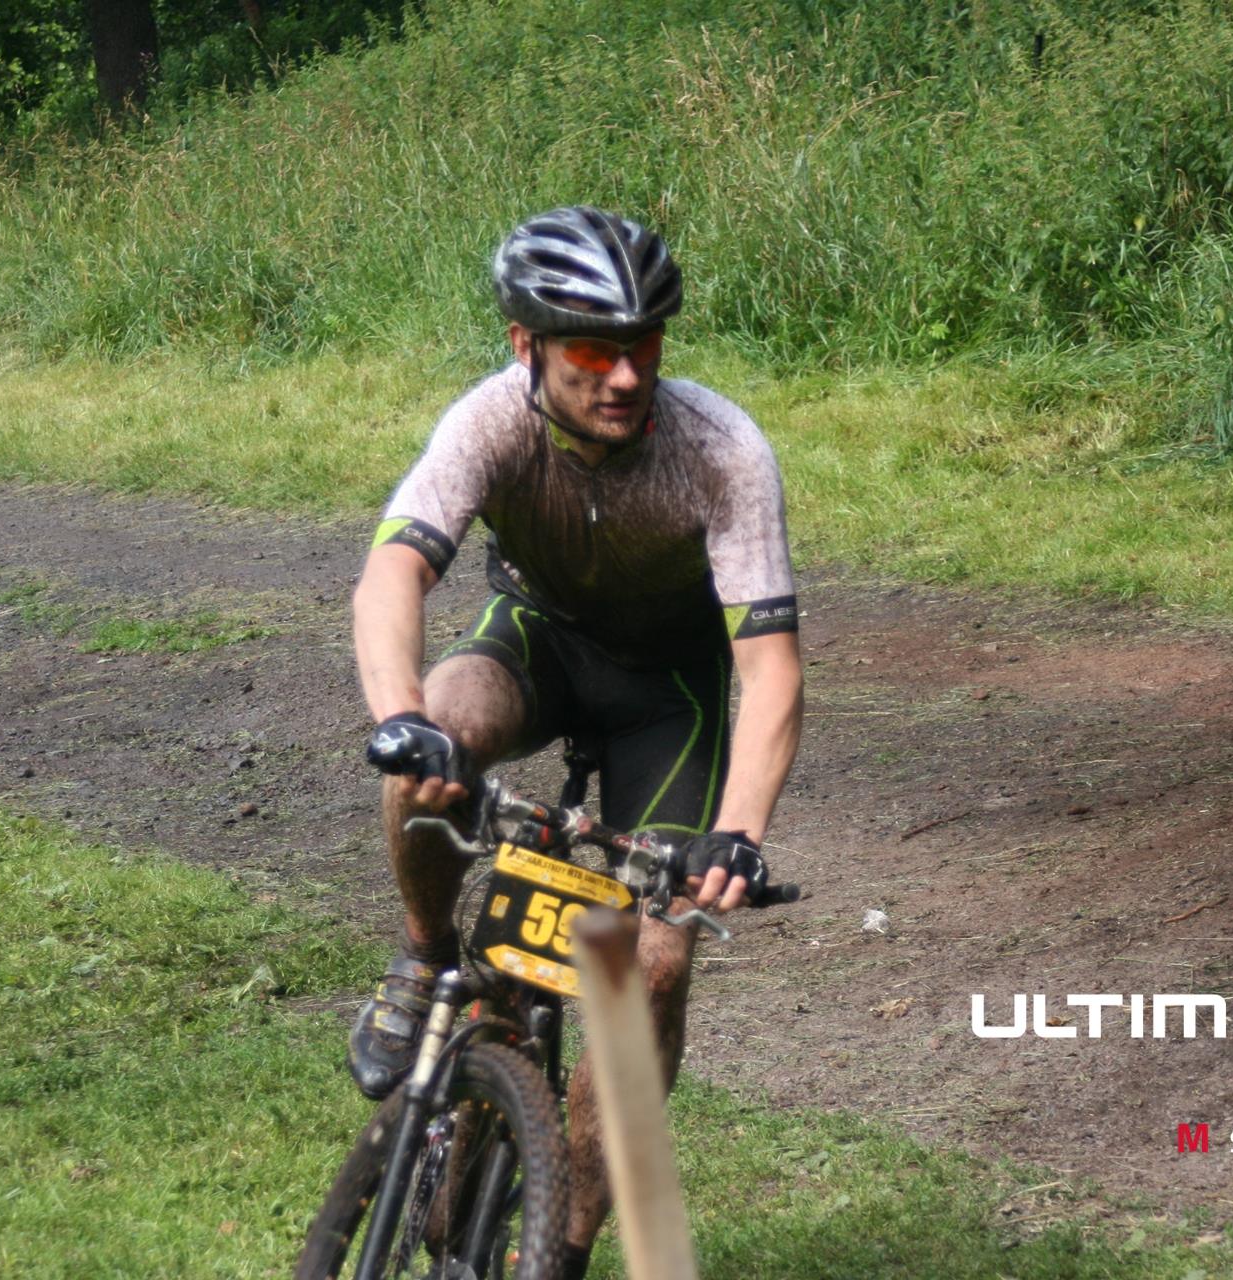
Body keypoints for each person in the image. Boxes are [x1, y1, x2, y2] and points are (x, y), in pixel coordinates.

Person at [348, 205, 804, 1277]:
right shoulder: (488, 423)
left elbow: (771, 670)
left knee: (653, 959)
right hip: (537, 641)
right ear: (527, 345)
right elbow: (393, 573)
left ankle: (563, 1243)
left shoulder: (723, 449)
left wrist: (737, 835)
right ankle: (424, 955)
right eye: (592, 352)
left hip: (666, 693)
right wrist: (398, 716)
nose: (625, 376)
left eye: (642, 346)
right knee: (435, 742)